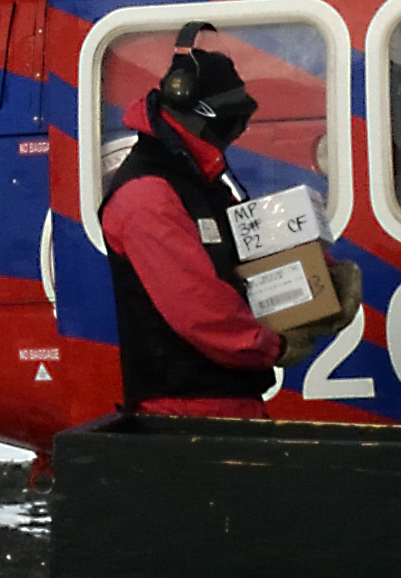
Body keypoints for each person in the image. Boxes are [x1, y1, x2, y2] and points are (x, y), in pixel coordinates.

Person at [99, 32, 303, 412]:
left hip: (223, 405)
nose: (235, 133)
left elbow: (246, 255)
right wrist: (274, 345)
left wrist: (317, 276)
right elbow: (198, 308)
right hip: (184, 416)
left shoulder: (199, 181)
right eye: (232, 122)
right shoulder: (148, 195)